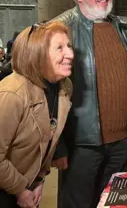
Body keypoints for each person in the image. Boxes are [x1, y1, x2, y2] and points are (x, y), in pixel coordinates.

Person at [51, 0, 127, 208]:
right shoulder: (60, 29)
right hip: (81, 142)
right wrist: (58, 145)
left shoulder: (119, 27)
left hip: (121, 141)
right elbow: (49, 90)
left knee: (111, 203)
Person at [0, 22, 74, 207]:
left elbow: (48, 137)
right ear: (37, 54)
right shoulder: (12, 94)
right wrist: (20, 190)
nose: (70, 54)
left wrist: (38, 180)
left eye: (69, 46)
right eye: (59, 48)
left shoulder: (64, 87)